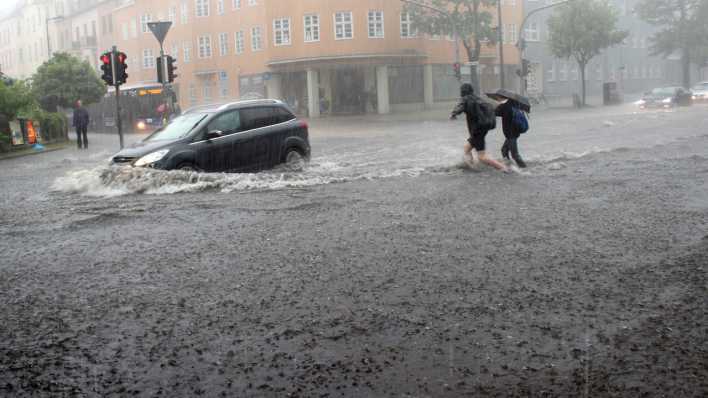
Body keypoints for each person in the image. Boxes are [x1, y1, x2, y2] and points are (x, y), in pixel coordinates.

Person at [450, 84, 508, 172]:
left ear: (462, 91)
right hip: (482, 128)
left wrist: (453, 114)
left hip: (477, 130)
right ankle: (472, 165)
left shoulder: (466, 99)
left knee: (482, 156)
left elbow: (460, 106)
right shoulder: (477, 98)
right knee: (467, 148)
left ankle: (503, 168)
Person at [495, 99, 527, 168]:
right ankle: (509, 166)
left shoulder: (505, 106)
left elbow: (495, 112)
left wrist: (500, 104)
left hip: (510, 134)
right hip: (514, 132)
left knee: (515, 155)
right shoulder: (515, 104)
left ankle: (524, 168)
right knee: (504, 150)